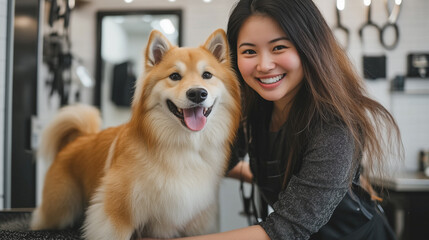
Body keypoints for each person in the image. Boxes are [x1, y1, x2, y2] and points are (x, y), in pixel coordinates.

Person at [143, 0, 403, 239]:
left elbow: (286, 229)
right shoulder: (253, 109)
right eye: (249, 51)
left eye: (279, 47)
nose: (264, 65)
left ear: (309, 46)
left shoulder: (333, 126)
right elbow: (216, 159)